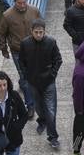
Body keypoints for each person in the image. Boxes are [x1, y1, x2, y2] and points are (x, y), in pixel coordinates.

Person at [19, 20, 63, 148]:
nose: (39, 35)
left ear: (44, 32)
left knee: (51, 109)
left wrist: (52, 74)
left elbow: (58, 60)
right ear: (31, 32)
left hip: (48, 82)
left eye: (41, 32)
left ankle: (53, 137)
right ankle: (42, 120)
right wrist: (26, 75)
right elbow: (21, 61)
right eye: (36, 32)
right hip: (33, 82)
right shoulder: (25, 43)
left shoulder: (51, 42)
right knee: (38, 107)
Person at [0, 0, 40, 117]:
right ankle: (30, 105)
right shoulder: (7, 15)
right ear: (14, 2)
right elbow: (2, 33)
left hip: (35, 49)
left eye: (24, 2)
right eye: (19, 3)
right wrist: (3, 48)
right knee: (25, 77)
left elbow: (41, 27)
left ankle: (24, 85)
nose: (22, 5)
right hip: (18, 52)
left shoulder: (34, 11)